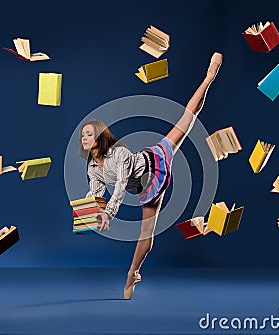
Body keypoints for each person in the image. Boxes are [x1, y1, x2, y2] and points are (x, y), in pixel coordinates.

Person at [79, 52, 223, 299]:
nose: (84, 138)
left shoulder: (118, 154)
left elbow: (122, 186)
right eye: (83, 135)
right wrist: (92, 210)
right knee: (146, 235)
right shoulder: (93, 167)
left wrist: (110, 213)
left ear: (100, 136)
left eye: (89, 133)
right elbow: (95, 191)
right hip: (147, 188)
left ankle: (208, 77)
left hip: (155, 159)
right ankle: (133, 274)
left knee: (187, 118)